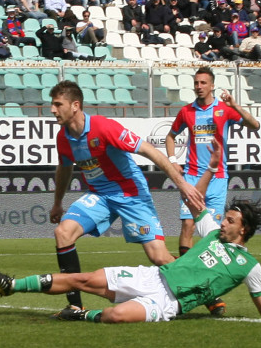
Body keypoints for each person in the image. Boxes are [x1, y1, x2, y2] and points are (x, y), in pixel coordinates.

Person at [0, 141, 261, 324]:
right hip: (153, 278)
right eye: (224, 218)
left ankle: (77, 315)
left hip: (169, 302)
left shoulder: (251, 267)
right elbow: (195, 201)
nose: (222, 222)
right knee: (84, 279)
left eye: (230, 220)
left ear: (244, 230)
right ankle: (11, 285)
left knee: (116, 316)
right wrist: (207, 170)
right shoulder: (210, 231)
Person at [46, 80, 203, 316]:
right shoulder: (63, 137)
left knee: (158, 256)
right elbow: (65, 168)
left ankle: (205, 288)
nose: (52, 109)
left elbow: (149, 150)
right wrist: (58, 202)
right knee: (63, 232)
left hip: (130, 194)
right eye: (52, 104)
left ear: (75, 105)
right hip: (100, 196)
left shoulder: (104, 127)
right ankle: (75, 305)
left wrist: (182, 185)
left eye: (58, 104)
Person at [165, 67, 259, 312]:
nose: (199, 86)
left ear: (212, 85)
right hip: (193, 176)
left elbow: (255, 125)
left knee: (214, 233)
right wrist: (173, 160)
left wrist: (235, 105)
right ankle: (183, 279)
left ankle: (207, 289)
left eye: (203, 83)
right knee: (187, 225)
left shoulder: (224, 109)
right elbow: (170, 136)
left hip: (218, 177)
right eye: (196, 82)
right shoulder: (186, 111)